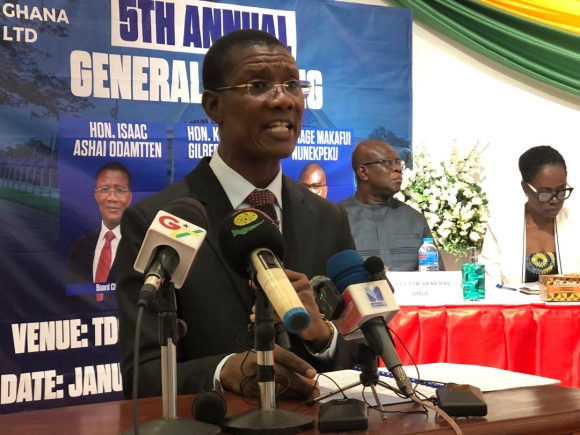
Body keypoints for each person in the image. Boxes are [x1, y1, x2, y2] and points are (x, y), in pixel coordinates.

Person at [116, 29, 355, 399]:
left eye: (292, 84)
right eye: (259, 85)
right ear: (214, 106)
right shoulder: (158, 221)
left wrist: (323, 336)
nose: (283, 99)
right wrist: (224, 371)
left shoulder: (328, 218)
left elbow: (359, 353)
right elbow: (141, 374)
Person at [480, 145, 579, 285]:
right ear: (526, 188)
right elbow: (489, 285)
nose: (555, 200)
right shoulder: (501, 227)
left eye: (561, 191)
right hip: (512, 300)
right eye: (545, 193)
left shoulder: (576, 223)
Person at [339, 139, 444, 271]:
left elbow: (437, 274)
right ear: (363, 172)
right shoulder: (337, 219)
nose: (398, 168)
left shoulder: (414, 219)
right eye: (387, 162)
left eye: (398, 162)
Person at [66, 162, 132, 301]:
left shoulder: (141, 246)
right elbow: (71, 299)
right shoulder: (79, 247)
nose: (112, 198)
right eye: (104, 189)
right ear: (96, 195)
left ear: (129, 198)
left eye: (120, 190)